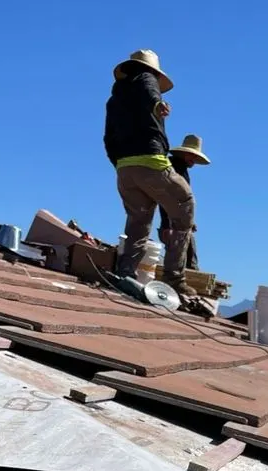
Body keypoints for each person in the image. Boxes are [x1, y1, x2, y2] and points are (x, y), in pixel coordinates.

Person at [103, 49, 197, 297]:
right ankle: (174, 277)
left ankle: (126, 273)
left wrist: (121, 165)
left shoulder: (113, 101)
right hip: (151, 161)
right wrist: (157, 104)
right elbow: (150, 91)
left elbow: (108, 138)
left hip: (125, 168)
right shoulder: (147, 79)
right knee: (185, 205)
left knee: (139, 222)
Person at [159, 134, 210, 271]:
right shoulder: (173, 167)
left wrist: (190, 220)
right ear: (183, 153)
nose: (193, 160)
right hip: (172, 222)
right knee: (179, 257)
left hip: (179, 221)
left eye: (195, 157)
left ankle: (189, 275)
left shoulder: (183, 170)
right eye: (191, 156)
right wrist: (166, 225)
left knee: (187, 252)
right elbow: (165, 197)